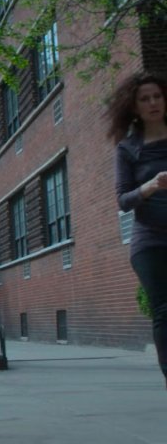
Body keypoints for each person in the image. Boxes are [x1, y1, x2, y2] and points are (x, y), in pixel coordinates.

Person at [109, 71, 167, 388]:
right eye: (144, 99)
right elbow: (123, 200)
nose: (153, 102)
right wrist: (151, 186)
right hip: (151, 241)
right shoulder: (128, 149)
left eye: (157, 96)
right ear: (135, 107)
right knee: (164, 309)